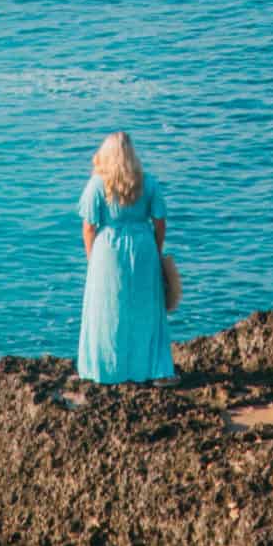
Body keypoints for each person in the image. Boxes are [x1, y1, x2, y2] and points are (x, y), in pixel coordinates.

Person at [76, 131, 175, 383]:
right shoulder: (148, 182)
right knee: (146, 308)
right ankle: (154, 370)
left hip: (107, 251)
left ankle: (106, 371)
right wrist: (155, 250)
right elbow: (160, 221)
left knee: (108, 309)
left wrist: (92, 260)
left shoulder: (98, 184)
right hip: (143, 246)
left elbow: (88, 227)